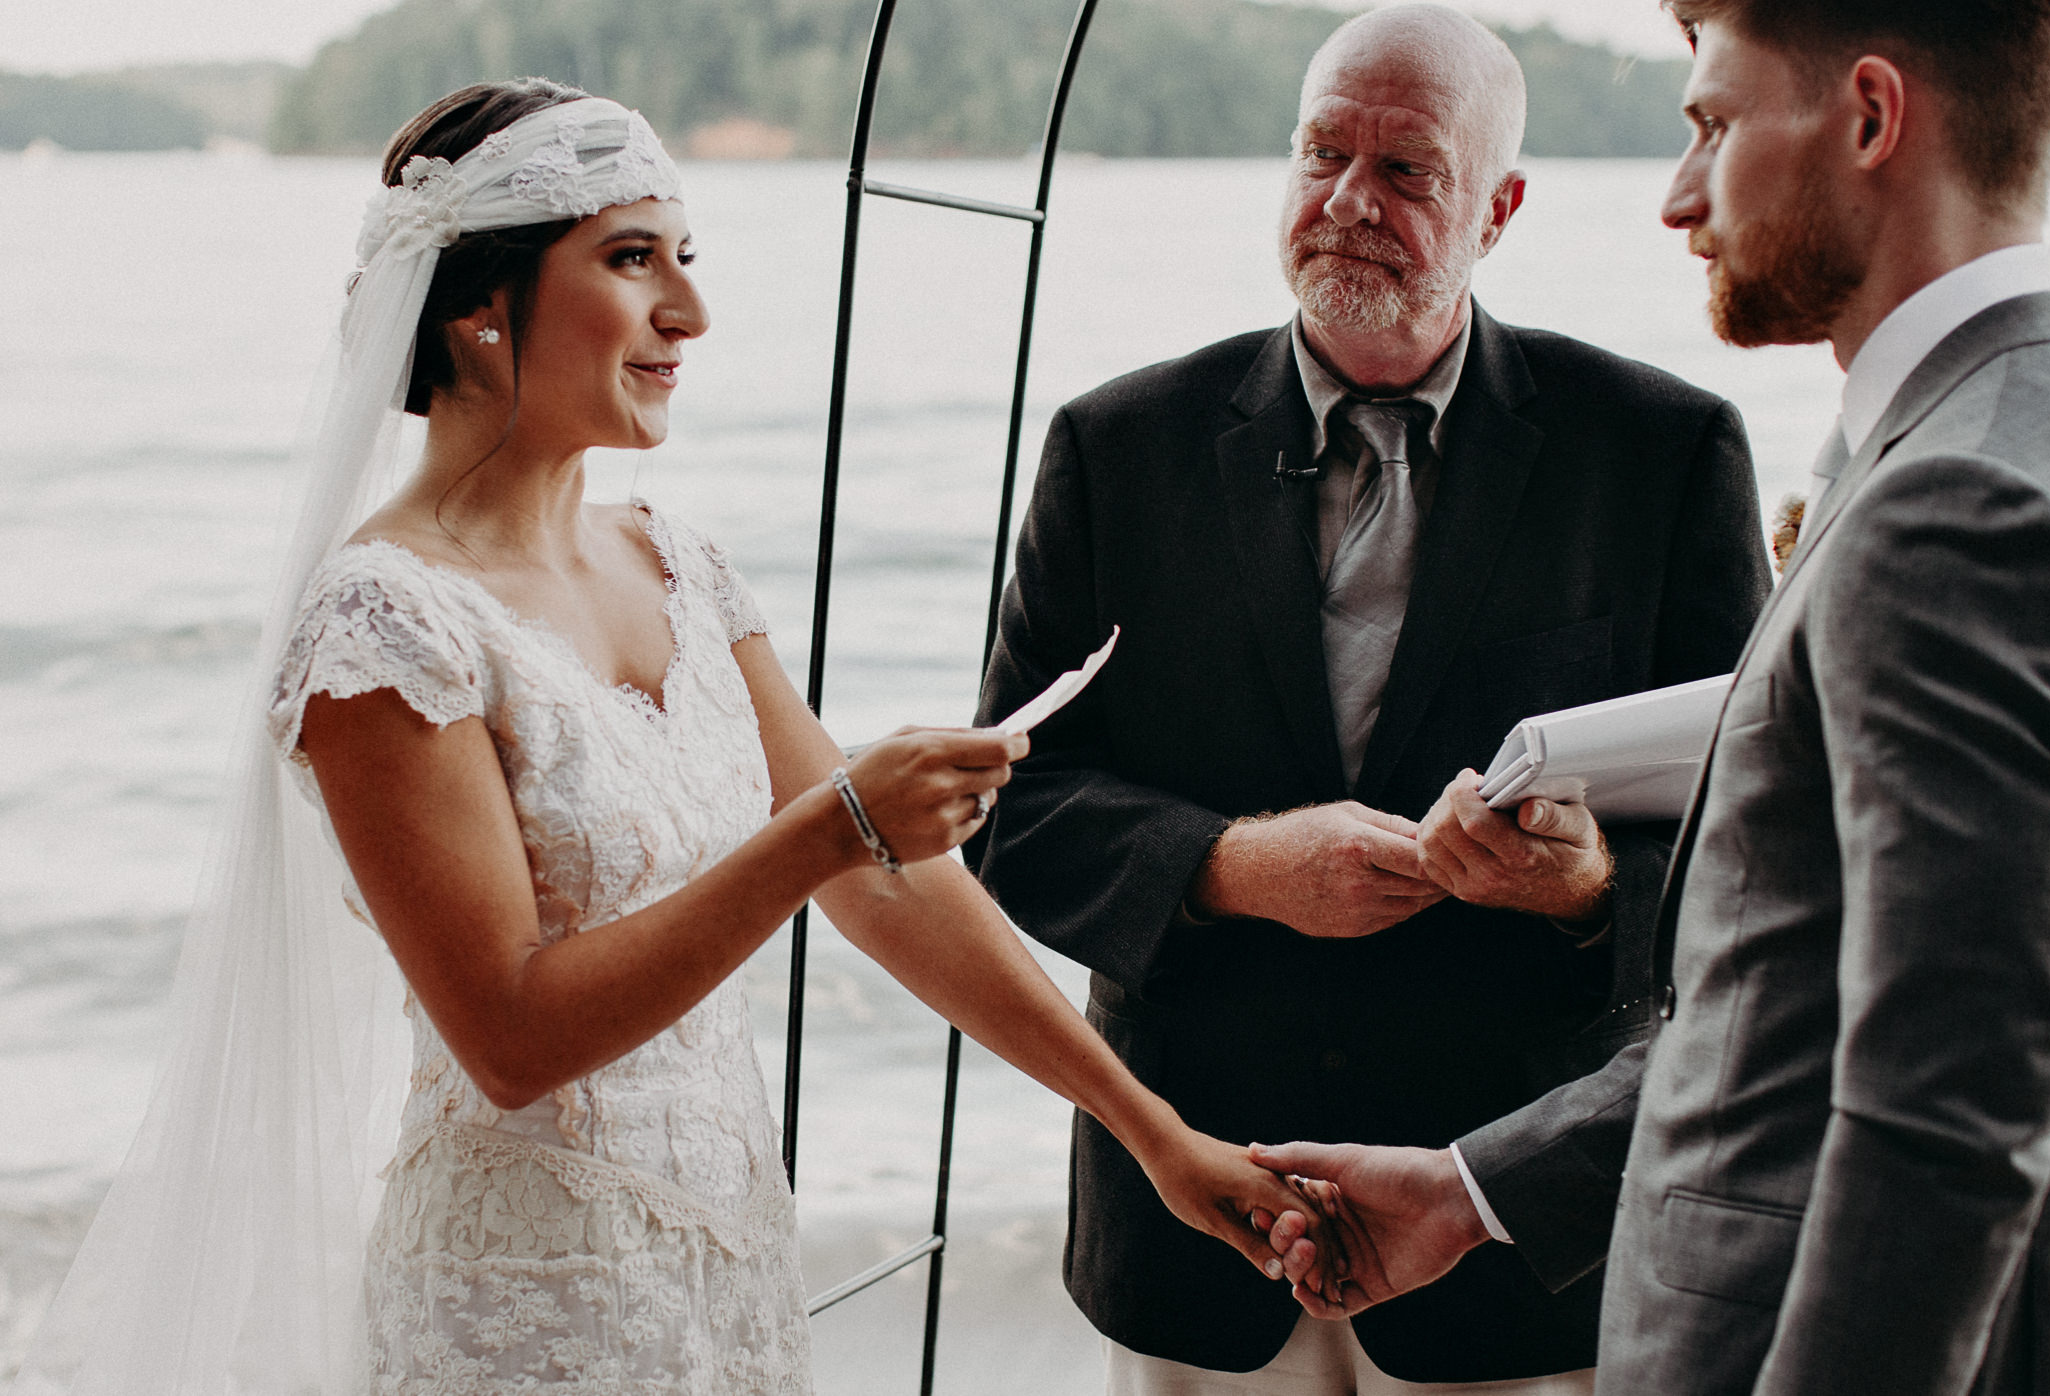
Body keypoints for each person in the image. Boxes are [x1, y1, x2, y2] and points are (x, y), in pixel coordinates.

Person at [13, 82, 1323, 1396]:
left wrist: (1152, 1134)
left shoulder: (676, 561)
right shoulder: (383, 623)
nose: (688, 313)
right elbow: (512, 1034)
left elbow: (887, 889)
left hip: (730, 1268)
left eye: (684, 259)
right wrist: (829, 827)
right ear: (480, 307)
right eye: (632, 259)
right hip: (522, 1308)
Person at [1256, 0, 2050, 1393]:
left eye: (1712, 123)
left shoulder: (1958, 504)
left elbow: (1949, 1103)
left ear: (1870, 116)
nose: (1677, 197)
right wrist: (1475, 1192)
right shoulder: (2031, 431)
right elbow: (1809, 996)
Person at [971, 6, 1771, 1392]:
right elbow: (1006, 808)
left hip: (1509, 1237)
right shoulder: (1115, 447)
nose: (1349, 202)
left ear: (1501, 207)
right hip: (1199, 1214)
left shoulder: (1664, 453)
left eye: (1408, 170)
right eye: (1321, 153)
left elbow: (1758, 848)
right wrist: (1226, 866)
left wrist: (1587, 892)